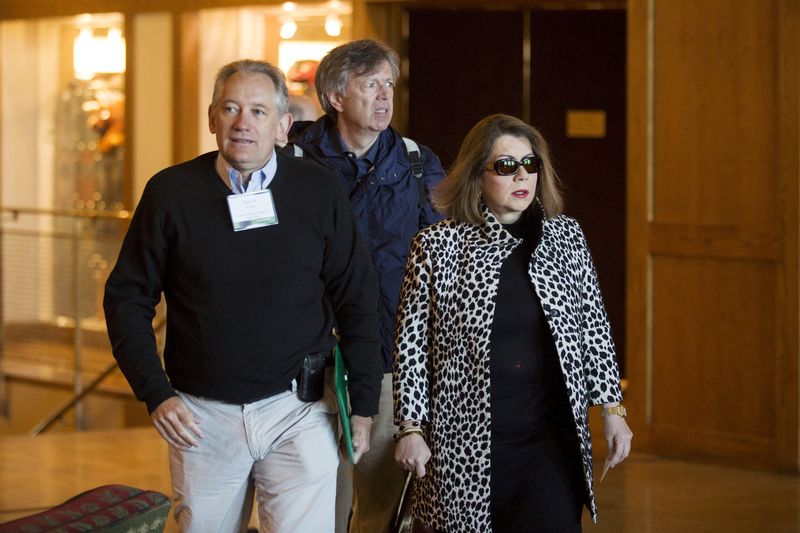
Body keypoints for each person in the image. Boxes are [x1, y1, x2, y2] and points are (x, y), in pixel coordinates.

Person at [103, 59, 383, 533]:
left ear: (282, 127)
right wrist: (156, 394)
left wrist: (364, 403)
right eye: (230, 108)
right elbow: (127, 297)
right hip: (202, 415)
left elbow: (356, 294)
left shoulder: (318, 191)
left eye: (257, 111)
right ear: (212, 118)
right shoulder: (171, 193)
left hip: (300, 409)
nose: (242, 123)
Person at [392, 113, 633, 532]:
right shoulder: (436, 246)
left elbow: (594, 328)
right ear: (476, 174)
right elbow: (412, 348)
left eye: (531, 163)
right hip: (463, 447)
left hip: (548, 443)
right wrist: (410, 428)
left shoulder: (567, 237)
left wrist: (613, 410)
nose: (522, 175)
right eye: (506, 166)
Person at [283, 39, 445, 533]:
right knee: (314, 504)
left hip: (390, 362)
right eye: (370, 84)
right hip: (307, 362)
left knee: (379, 508)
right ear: (335, 95)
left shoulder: (416, 164)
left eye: (389, 85)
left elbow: (448, 259)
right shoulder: (291, 161)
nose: (384, 96)